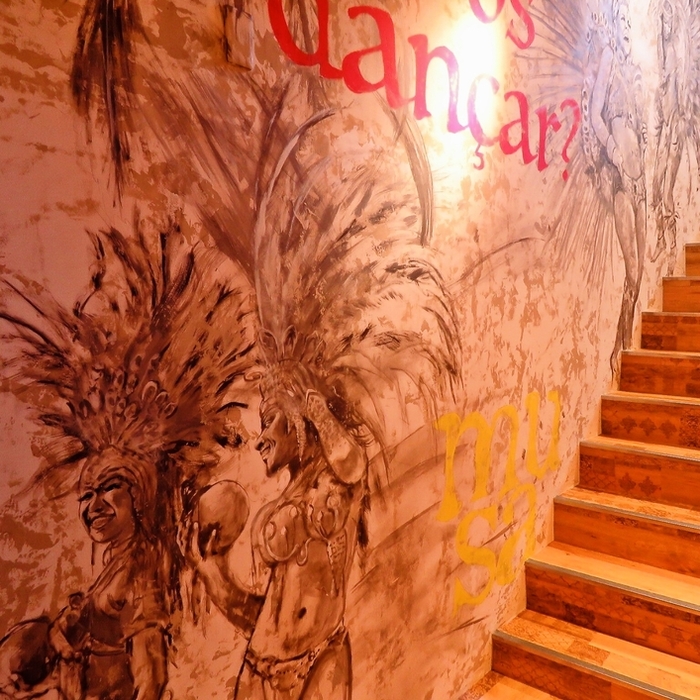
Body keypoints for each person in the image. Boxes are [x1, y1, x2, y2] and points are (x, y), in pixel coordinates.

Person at [186, 372, 365, 700]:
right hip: (259, 669)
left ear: (297, 420)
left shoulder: (336, 486)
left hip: (320, 658)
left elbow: (352, 465)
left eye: (269, 421)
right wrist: (214, 573)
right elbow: (263, 617)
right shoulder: (284, 502)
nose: (259, 440)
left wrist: (315, 408)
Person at [0, 448, 169, 700]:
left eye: (109, 487)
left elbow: (151, 679)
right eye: (87, 495)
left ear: (138, 493)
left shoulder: (138, 570)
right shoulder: (116, 562)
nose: (95, 506)